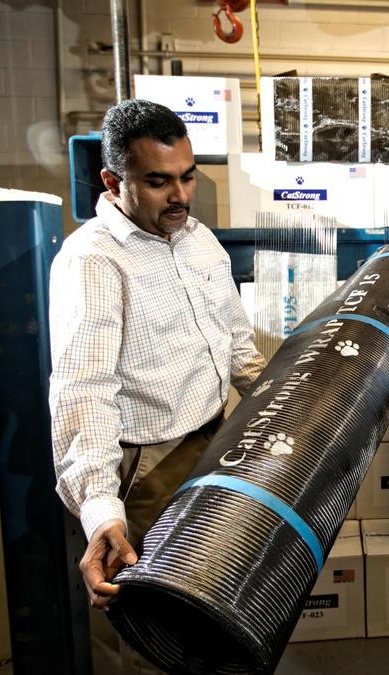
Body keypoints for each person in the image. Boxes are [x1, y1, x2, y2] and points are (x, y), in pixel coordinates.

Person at [48, 99, 264, 668]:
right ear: (113, 180)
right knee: (161, 636)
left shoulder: (198, 240)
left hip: (216, 442)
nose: (181, 197)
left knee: (214, 608)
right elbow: (82, 391)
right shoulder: (93, 261)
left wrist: (290, 401)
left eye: (188, 177)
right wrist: (101, 509)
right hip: (150, 466)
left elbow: (237, 347)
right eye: (159, 181)